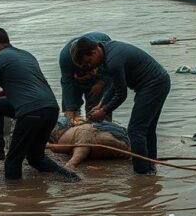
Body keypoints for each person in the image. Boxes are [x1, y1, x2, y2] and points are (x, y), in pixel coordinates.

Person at [0, 28, 79, 181]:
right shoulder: (26, 55)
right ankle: (73, 179)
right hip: (51, 109)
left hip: (31, 111)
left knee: (12, 162)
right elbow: (26, 84)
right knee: (36, 158)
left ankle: (17, 199)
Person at [71, 38, 170, 175]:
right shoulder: (107, 50)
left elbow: (121, 94)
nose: (90, 66)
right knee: (146, 129)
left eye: (88, 62)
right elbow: (114, 84)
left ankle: (142, 174)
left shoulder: (113, 61)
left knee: (135, 131)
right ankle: (149, 166)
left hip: (154, 85)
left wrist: (104, 111)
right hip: (156, 82)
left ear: (93, 52)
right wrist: (101, 104)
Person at [59, 31, 114, 123]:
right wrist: (70, 110)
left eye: (87, 64)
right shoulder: (65, 58)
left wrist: (101, 83)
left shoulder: (101, 47)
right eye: (81, 65)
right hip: (74, 80)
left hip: (99, 76)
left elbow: (111, 70)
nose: (84, 66)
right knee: (69, 114)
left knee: (97, 112)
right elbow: (67, 83)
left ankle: (103, 129)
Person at [47, 117, 130, 169]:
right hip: (121, 143)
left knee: (84, 136)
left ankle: (71, 164)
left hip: (95, 133)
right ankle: (72, 163)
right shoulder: (71, 131)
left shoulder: (79, 129)